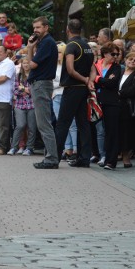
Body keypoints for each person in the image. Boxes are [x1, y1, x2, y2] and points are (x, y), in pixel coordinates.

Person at [55, 19, 95, 168]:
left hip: (72, 88)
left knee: (63, 123)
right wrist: (89, 81)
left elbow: (70, 69)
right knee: (83, 124)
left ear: (67, 29)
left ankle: (54, 157)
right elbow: (92, 68)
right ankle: (84, 158)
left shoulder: (71, 46)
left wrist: (85, 80)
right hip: (83, 89)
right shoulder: (88, 46)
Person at [27, 16, 59, 169]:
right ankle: (50, 156)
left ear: (46, 27)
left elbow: (31, 65)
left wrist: (29, 48)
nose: (35, 31)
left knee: (44, 123)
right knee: (44, 123)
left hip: (41, 84)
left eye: (38, 27)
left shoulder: (47, 42)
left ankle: (51, 159)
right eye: (34, 28)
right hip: (40, 84)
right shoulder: (44, 42)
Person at [93, 43, 122, 170]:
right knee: (96, 130)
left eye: (117, 54)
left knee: (112, 132)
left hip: (111, 102)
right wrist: (103, 81)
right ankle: (97, 155)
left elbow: (112, 83)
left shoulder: (116, 67)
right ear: (105, 54)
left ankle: (111, 161)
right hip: (96, 101)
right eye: (113, 54)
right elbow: (91, 80)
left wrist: (98, 79)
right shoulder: (96, 65)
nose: (115, 56)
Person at [118, 52, 135, 168]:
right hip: (116, 106)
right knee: (118, 132)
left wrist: (118, 93)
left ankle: (126, 156)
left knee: (127, 133)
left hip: (128, 108)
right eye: (130, 59)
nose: (132, 62)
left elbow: (133, 91)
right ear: (125, 60)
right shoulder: (119, 72)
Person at [53, 43, 78, 160]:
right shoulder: (53, 66)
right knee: (61, 124)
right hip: (55, 97)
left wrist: (58, 84)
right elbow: (51, 83)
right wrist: (59, 84)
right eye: (57, 52)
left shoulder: (68, 66)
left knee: (72, 123)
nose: (58, 54)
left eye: (60, 52)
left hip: (66, 95)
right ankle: (67, 148)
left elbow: (66, 81)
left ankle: (76, 148)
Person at [10, 57, 37, 155]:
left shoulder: (35, 75)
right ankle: (14, 147)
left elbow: (35, 90)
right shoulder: (18, 76)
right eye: (24, 63)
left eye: (27, 63)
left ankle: (29, 148)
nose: (25, 65)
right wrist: (26, 90)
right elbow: (15, 90)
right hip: (19, 104)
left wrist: (25, 90)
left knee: (32, 127)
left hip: (32, 104)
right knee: (20, 125)